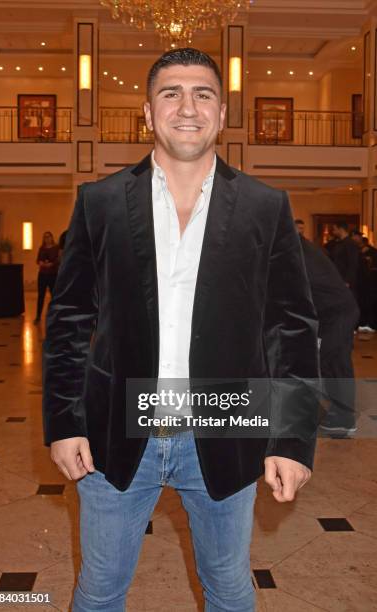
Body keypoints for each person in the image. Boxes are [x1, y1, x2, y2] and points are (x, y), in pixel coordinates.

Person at [43, 48, 320, 612]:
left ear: (222, 114)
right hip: (115, 431)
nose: (187, 106)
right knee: (98, 593)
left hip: (223, 425)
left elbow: (291, 330)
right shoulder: (98, 203)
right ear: (147, 112)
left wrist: (292, 440)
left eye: (203, 94)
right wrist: (63, 423)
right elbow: (69, 321)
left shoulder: (266, 208)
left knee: (229, 590)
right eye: (171, 93)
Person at [296, 224, 359, 437]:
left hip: (337, 314)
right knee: (331, 364)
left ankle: (344, 418)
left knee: (335, 365)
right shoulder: (299, 247)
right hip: (330, 314)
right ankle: (338, 413)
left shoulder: (296, 251)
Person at [34, 231, 59, 324]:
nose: (47, 239)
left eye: (48, 237)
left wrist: (51, 264)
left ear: (52, 238)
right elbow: (38, 259)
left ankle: (55, 316)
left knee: (54, 296)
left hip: (52, 274)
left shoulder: (56, 248)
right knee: (41, 296)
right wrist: (41, 263)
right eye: (45, 237)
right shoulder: (42, 248)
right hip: (43, 274)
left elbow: (58, 259)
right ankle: (38, 316)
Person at [329, 221, 359, 293]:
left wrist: (347, 281)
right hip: (338, 278)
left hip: (345, 281)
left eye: (335, 229)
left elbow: (353, 264)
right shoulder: (339, 243)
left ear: (341, 229)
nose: (333, 231)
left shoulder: (350, 243)